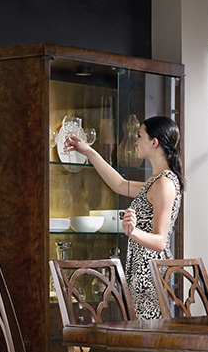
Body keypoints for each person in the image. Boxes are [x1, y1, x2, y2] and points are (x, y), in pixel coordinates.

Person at [62, 115, 183, 327]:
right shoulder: (156, 181)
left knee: (150, 339)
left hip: (150, 277)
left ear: (154, 142)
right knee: (144, 339)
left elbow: (160, 241)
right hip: (142, 273)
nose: (136, 141)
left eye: (140, 136)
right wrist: (88, 151)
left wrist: (133, 231)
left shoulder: (164, 183)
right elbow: (119, 184)